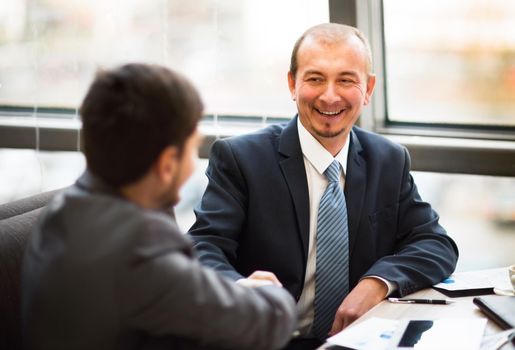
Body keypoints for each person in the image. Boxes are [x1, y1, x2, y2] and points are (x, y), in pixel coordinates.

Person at [188, 23, 459, 349]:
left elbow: (435, 244)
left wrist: (376, 283)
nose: (329, 96)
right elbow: (201, 248)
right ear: (292, 83)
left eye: (346, 80)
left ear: (369, 88)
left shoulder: (388, 160)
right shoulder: (241, 158)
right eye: (315, 79)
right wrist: (241, 286)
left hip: (358, 342)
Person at [21, 63, 297, 350]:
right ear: (166, 165)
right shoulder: (139, 250)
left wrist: (233, 290)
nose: (193, 161)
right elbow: (269, 321)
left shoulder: (64, 210)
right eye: (193, 147)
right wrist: (268, 291)